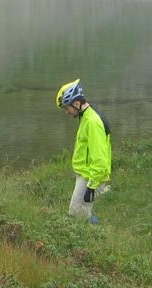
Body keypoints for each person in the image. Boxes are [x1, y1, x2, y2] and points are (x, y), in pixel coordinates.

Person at [56, 78, 112, 221]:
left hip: (90, 178)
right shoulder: (86, 115)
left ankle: (94, 236)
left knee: (75, 214)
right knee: (82, 212)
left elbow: (100, 158)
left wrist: (92, 187)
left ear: (76, 103)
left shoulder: (92, 122)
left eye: (66, 107)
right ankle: (93, 229)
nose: (66, 112)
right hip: (86, 174)